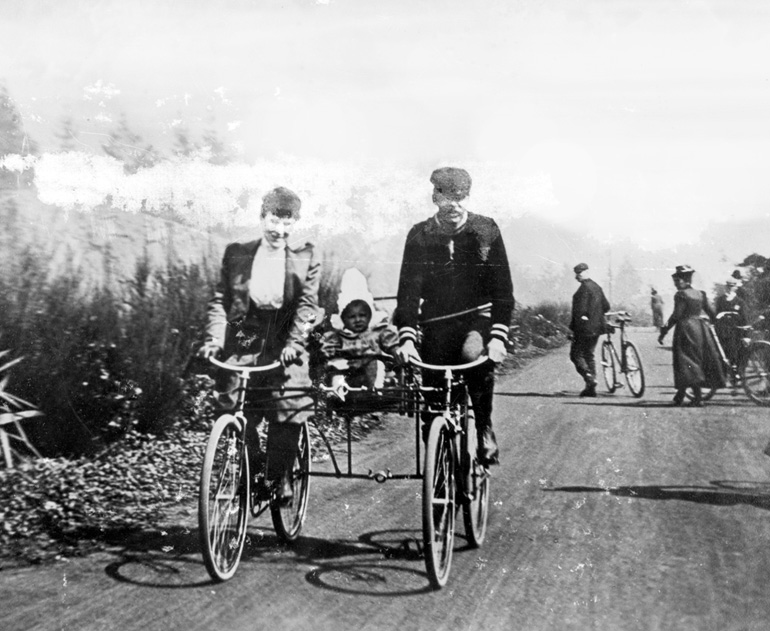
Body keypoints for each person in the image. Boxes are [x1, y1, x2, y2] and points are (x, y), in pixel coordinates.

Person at [198, 186, 321, 502]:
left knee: (289, 401)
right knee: (232, 400)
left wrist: (295, 342)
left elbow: (307, 306)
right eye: (273, 221)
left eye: (287, 223)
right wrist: (214, 339)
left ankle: (279, 475)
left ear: (295, 223)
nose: (279, 231)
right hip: (246, 336)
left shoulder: (305, 257)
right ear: (261, 217)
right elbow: (219, 301)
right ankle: (251, 467)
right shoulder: (237, 253)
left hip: (284, 337)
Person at [394, 166, 514, 465]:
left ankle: (484, 427)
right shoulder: (419, 235)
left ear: (467, 196)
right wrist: (407, 339)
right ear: (435, 197)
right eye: (447, 198)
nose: (454, 205)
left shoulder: (486, 230)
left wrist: (498, 338)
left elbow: (503, 291)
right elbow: (408, 294)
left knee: (473, 354)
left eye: (460, 197)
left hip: (477, 321)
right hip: (435, 325)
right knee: (433, 402)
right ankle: (441, 465)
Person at [657, 265, 725, 406]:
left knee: (686, 362)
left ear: (685, 280)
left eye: (677, 281)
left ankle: (698, 398)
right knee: (695, 361)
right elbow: (712, 314)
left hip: (685, 329)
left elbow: (677, 315)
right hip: (700, 330)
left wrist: (664, 330)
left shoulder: (681, 295)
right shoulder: (701, 294)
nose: (676, 284)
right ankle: (680, 395)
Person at [319, 298, 399, 401]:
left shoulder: (375, 333)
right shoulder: (339, 336)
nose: (358, 320)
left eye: (362, 315)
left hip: (368, 365)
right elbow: (328, 352)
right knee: (336, 368)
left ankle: (375, 390)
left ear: (369, 317)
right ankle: (338, 392)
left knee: (377, 363)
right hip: (348, 367)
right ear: (344, 320)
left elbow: (390, 344)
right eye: (352, 317)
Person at [569, 262, 611, 398]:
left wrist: (573, 329)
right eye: (576, 274)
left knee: (576, 355)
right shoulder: (597, 287)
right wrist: (596, 315)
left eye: (579, 273)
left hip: (583, 329)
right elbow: (606, 306)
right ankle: (591, 388)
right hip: (597, 328)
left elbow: (579, 312)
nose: (577, 276)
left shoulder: (583, 290)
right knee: (589, 354)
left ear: (587, 272)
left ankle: (589, 378)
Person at [714, 278, 748, 375]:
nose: (730, 288)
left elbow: (744, 319)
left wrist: (746, 335)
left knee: (734, 353)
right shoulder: (720, 300)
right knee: (721, 353)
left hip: (735, 331)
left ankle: (735, 376)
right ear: (726, 287)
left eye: (732, 286)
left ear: (736, 288)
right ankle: (723, 376)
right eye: (728, 286)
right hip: (722, 330)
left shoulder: (740, 302)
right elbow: (716, 315)